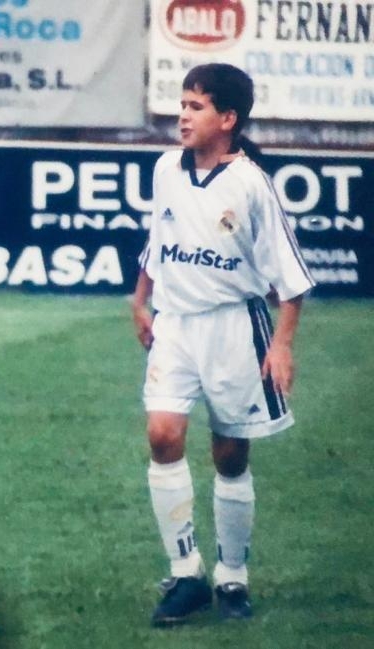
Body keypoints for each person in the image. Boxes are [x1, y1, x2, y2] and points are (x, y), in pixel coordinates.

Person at [131, 63, 315, 627]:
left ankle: (232, 574)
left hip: (235, 328)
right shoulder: (166, 169)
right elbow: (158, 242)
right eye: (182, 104)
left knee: (230, 454)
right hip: (177, 325)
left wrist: (281, 346)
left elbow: (290, 276)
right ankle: (184, 573)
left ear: (228, 119)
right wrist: (140, 301)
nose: (183, 115)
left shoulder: (250, 183)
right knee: (163, 435)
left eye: (196, 106)